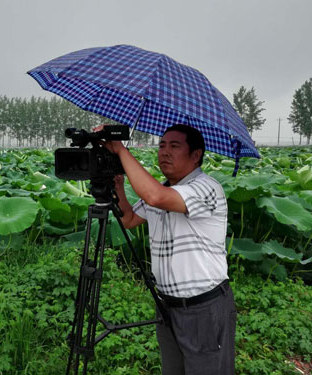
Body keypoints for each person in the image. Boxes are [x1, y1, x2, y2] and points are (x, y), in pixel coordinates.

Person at [101, 124, 236, 375]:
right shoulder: (166, 188)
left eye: (174, 146)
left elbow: (155, 197)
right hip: (168, 307)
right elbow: (129, 220)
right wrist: (118, 186)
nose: (164, 152)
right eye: (162, 145)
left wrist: (120, 150)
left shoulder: (206, 188)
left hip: (203, 308)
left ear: (195, 155)